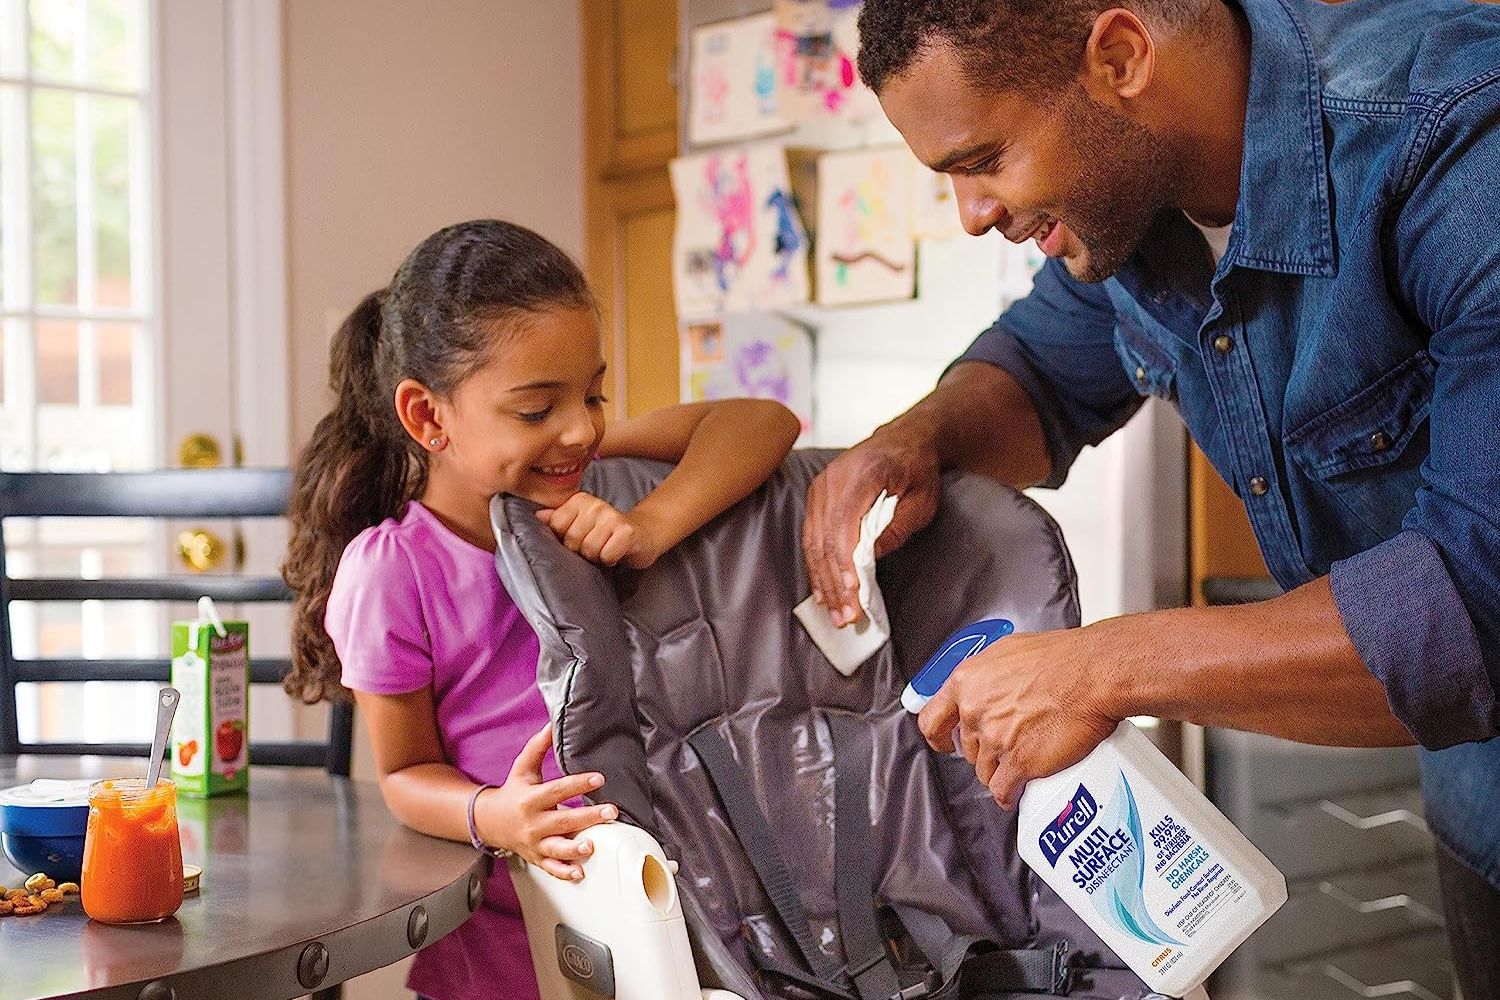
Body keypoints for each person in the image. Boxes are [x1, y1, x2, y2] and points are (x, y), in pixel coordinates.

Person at [801, 1, 1500, 994]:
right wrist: (918, 438)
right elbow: (1038, 369)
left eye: (982, 159)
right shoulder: (1130, 199)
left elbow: (1477, 599)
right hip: (1480, 786)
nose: (971, 214)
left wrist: (1103, 668)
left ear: (1121, 56)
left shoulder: (1459, 136)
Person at [283, 219, 800, 1000]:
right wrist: (499, 816)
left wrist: (643, 517)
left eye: (592, 392)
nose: (580, 426)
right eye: (535, 410)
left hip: (656, 921)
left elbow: (765, 423)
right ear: (429, 418)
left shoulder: (583, 483)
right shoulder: (394, 571)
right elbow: (402, 774)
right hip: (506, 946)